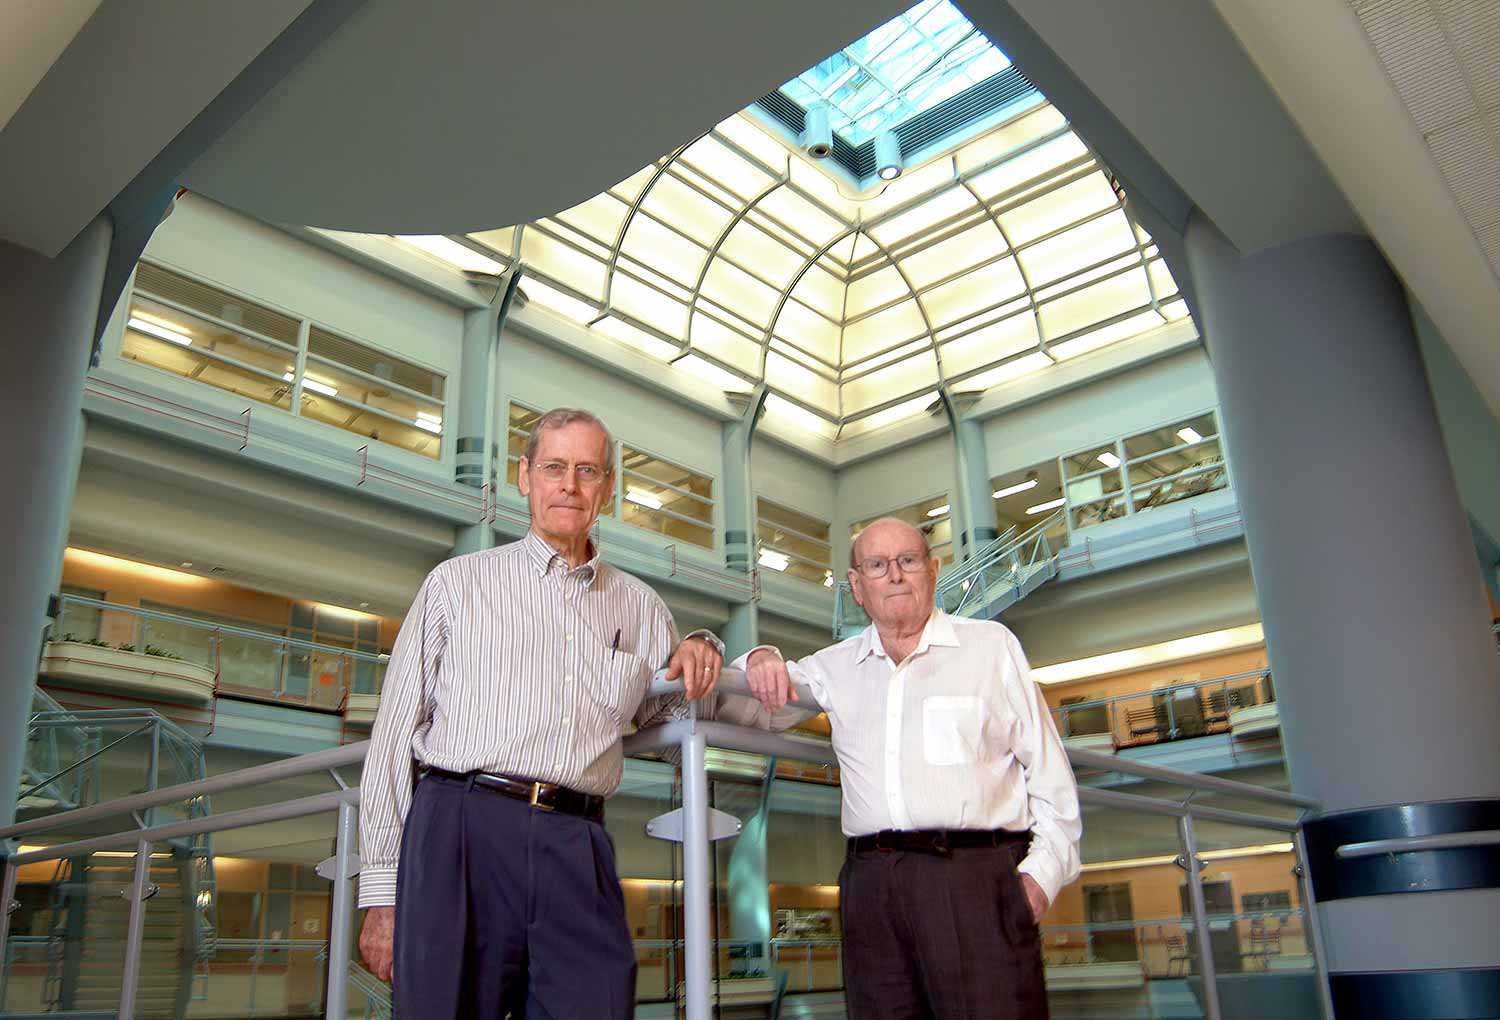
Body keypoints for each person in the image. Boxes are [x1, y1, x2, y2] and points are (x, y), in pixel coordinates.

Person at [356, 407, 724, 1019]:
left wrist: (703, 648)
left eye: (587, 471)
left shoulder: (639, 606)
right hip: (460, 828)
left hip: (577, 838)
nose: (570, 486)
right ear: (524, 476)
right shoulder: (457, 585)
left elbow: (670, 726)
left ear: (606, 488)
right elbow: (393, 740)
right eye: (554, 468)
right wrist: (383, 896)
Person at [739, 517, 1081, 1020]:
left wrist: (1037, 880)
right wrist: (757, 655)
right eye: (877, 566)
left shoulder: (990, 647)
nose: (894, 575)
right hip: (871, 886)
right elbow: (740, 705)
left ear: (933, 570)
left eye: (908, 561)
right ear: (856, 586)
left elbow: (1051, 777)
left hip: (974, 879)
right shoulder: (834, 667)